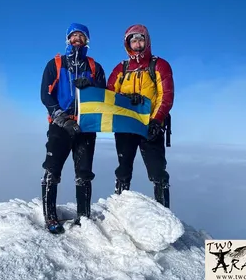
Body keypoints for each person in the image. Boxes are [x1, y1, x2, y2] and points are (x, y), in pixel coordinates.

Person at [40, 23, 106, 234]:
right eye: (74, 36)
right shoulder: (55, 63)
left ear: (87, 41)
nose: (77, 39)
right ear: (68, 39)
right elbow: (45, 95)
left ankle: (83, 217)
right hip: (60, 124)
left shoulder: (95, 67)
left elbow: (105, 95)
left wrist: (92, 86)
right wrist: (60, 117)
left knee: (84, 173)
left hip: (86, 125)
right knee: (52, 170)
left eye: (82, 36)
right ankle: (50, 216)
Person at [106, 24, 174, 208]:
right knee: (123, 170)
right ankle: (120, 209)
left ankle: (163, 214)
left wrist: (156, 121)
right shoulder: (121, 68)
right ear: (128, 43)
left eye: (140, 39)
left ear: (147, 41)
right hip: (125, 126)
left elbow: (165, 96)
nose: (137, 43)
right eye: (133, 40)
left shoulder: (159, 65)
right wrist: (126, 98)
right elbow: (109, 95)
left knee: (157, 172)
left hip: (151, 126)